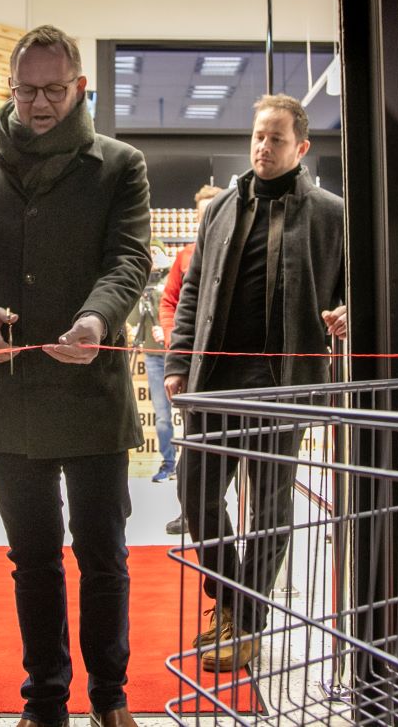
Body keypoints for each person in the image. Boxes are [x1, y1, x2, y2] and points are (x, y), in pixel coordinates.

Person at [0, 24, 150, 727]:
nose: (40, 103)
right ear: (11, 85)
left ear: (80, 86)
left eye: (55, 90)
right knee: (32, 559)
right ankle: (45, 699)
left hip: (90, 391)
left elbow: (129, 259)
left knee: (103, 555)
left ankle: (110, 698)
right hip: (9, 395)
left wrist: (96, 320)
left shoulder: (119, 165)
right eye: (27, 90)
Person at [164, 94, 347, 671]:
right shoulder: (220, 208)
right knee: (195, 494)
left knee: (268, 506)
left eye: (276, 139)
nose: (263, 148)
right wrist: (177, 360)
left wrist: (350, 311)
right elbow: (192, 292)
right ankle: (232, 598)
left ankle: (245, 624)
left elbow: (354, 284)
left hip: (282, 384)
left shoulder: (329, 213)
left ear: (302, 147)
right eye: (258, 136)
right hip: (215, 380)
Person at [157, 183, 221, 534]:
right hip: (194, 368)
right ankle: (191, 514)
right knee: (193, 453)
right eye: (202, 215)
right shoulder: (186, 257)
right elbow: (170, 304)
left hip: (230, 370)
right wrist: (175, 346)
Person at [127, 253, 174, 483]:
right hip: (153, 355)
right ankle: (170, 463)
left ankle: (189, 464)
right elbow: (135, 318)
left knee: (189, 411)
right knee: (162, 415)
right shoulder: (143, 283)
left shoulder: (174, 279)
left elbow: (177, 310)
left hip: (177, 354)